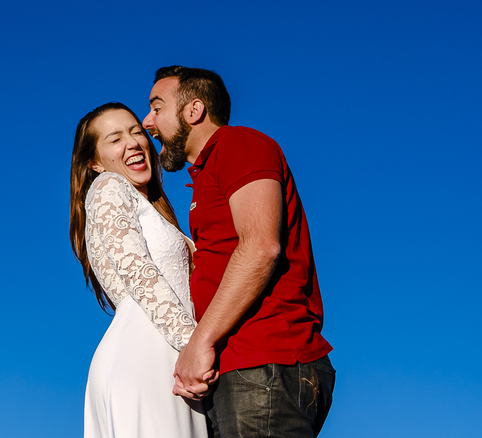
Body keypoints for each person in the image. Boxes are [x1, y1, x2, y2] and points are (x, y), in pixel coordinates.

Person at [143, 66, 335, 438]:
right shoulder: (206, 173)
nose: (149, 120)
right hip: (246, 372)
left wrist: (199, 344)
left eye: (157, 107)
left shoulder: (238, 144)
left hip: (265, 363)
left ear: (194, 110)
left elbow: (262, 246)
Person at [69, 103, 208, 438]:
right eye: (115, 139)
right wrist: (197, 347)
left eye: (136, 132)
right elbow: (140, 275)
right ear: (95, 163)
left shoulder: (150, 209)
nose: (133, 143)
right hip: (149, 355)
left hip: (166, 353)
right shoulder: (109, 187)